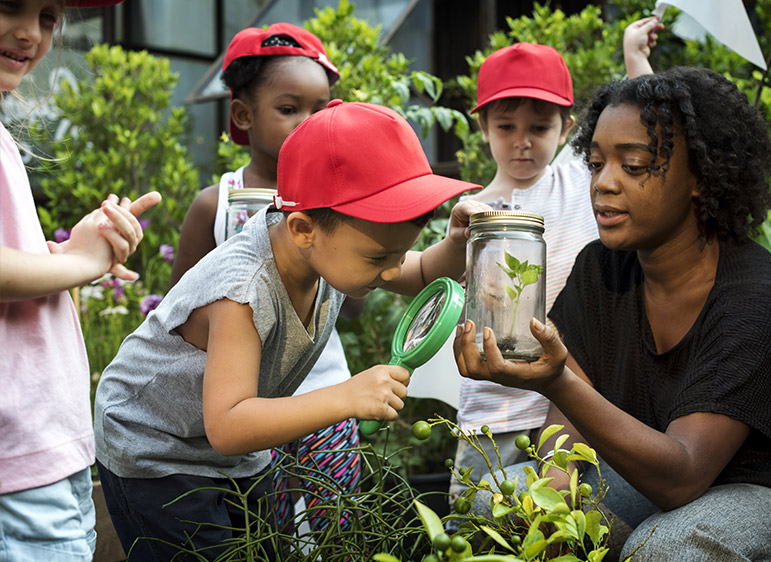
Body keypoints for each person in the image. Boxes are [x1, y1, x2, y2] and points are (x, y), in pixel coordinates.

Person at [93, 99, 487, 561]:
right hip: (158, 452)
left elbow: (419, 273)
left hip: (233, 452)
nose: (390, 272)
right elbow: (228, 424)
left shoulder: (336, 247)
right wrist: (345, 396)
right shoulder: (244, 290)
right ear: (302, 229)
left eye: (399, 254)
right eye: (381, 259)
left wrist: (457, 243)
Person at [455, 66, 771, 560]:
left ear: (700, 177)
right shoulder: (601, 267)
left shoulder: (753, 295)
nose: (604, 183)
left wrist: (554, 380)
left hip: (748, 490)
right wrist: (552, 497)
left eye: (635, 164)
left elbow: (683, 477)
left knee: (667, 548)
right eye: (597, 163)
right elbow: (566, 425)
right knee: (497, 500)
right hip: (648, 474)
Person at [170, 23, 363, 536]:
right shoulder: (216, 205)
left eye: (321, 109)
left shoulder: (337, 207)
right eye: (288, 108)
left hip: (327, 395)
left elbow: (356, 295)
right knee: (267, 533)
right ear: (243, 114)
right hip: (249, 409)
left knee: (339, 528)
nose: (308, 123)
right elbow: (180, 314)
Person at [0, 1, 162, 560]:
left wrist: (69, 250)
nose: (31, 33)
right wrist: (80, 264)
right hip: (17, 459)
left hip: (40, 449)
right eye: (8, 5)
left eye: (47, 16)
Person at [445, 41, 599, 508]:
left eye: (540, 127)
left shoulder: (577, 176)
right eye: (506, 126)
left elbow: (635, 107)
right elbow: (448, 293)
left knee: (567, 527)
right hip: (493, 410)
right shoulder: (474, 215)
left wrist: (635, 51)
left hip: (572, 402)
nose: (522, 141)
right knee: (476, 526)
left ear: (567, 129)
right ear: (483, 126)